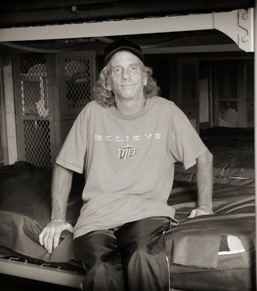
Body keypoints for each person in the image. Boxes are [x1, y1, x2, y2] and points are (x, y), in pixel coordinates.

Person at [38, 39, 214, 291]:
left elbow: (203, 157)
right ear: (107, 82)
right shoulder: (92, 112)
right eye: (117, 70)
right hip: (97, 217)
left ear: (145, 78)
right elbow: (65, 165)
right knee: (102, 270)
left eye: (133, 68)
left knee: (143, 257)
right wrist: (57, 218)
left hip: (145, 212)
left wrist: (205, 206)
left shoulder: (166, 111)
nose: (126, 75)